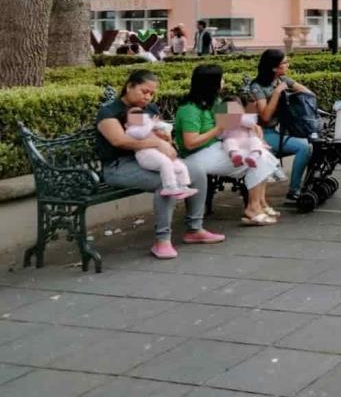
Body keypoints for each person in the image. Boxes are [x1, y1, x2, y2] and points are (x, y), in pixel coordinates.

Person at [95, 69, 224, 259]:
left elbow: (161, 134)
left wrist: (166, 138)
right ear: (129, 86)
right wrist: (157, 142)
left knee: (196, 170)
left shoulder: (150, 109)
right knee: (165, 183)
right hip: (119, 166)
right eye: (144, 91)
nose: (148, 97)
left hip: (151, 159)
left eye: (152, 93)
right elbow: (120, 141)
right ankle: (162, 240)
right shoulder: (110, 112)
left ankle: (195, 229)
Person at [175, 64, 281, 225]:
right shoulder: (190, 109)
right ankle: (254, 207)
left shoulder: (216, 101)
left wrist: (252, 126)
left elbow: (236, 118)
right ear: (212, 83)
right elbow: (190, 143)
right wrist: (219, 128)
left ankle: (257, 205)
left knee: (261, 154)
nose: (223, 81)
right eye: (221, 78)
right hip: (196, 155)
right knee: (259, 159)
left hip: (217, 147)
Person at [249, 49, 314, 204]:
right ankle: (294, 190)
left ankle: (306, 186)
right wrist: (277, 93)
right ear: (273, 67)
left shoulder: (282, 80)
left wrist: (292, 96)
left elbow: (309, 94)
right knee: (304, 147)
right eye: (284, 62)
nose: (288, 65)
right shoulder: (257, 86)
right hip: (261, 134)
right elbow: (265, 116)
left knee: (314, 143)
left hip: (278, 131)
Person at [126, 109, 197, 199]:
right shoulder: (131, 130)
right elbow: (141, 134)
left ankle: (184, 186)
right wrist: (151, 124)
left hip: (157, 152)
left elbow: (166, 127)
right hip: (145, 155)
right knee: (165, 163)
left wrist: (163, 127)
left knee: (179, 166)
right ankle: (169, 187)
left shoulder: (147, 125)